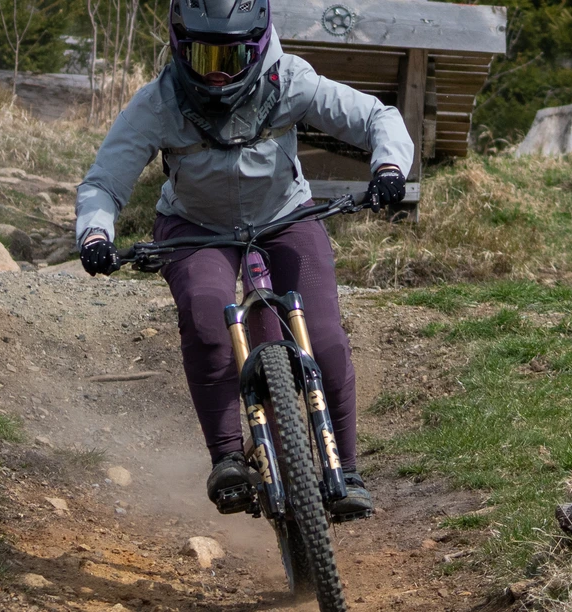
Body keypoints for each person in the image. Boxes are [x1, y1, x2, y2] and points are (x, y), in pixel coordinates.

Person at [72, 0, 412, 519]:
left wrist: (388, 167)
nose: (217, 72)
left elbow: (375, 117)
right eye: (204, 55)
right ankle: (228, 458)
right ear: (180, 46)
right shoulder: (158, 102)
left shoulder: (292, 80)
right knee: (208, 319)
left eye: (231, 56)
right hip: (195, 229)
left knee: (323, 338)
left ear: (258, 44)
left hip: (284, 215)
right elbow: (104, 181)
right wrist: (96, 234)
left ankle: (346, 470)